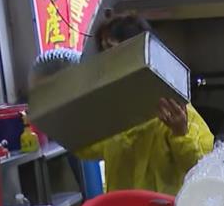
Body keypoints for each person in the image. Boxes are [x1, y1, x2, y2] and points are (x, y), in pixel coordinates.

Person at [77, 13, 214, 195]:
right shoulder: (112, 109)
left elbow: (201, 169)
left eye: (117, 53)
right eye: (105, 53)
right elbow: (88, 149)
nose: (110, 63)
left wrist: (181, 133)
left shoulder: (174, 107)